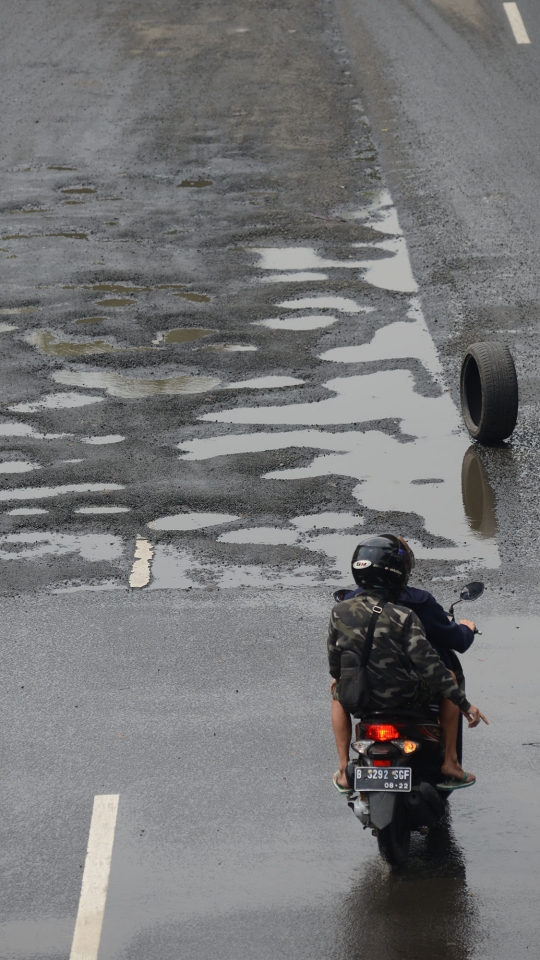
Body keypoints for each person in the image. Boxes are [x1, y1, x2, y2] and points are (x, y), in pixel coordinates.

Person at [329, 535, 488, 794]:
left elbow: (335, 658)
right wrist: (465, 704)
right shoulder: (408, 612)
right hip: (407, 695)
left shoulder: (341, 609)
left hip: (361, 694)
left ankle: (344, 768)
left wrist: (339, 678)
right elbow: (430, 666)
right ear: (399, 571)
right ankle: (450, 763)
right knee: (448, 675)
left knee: (336, 694)